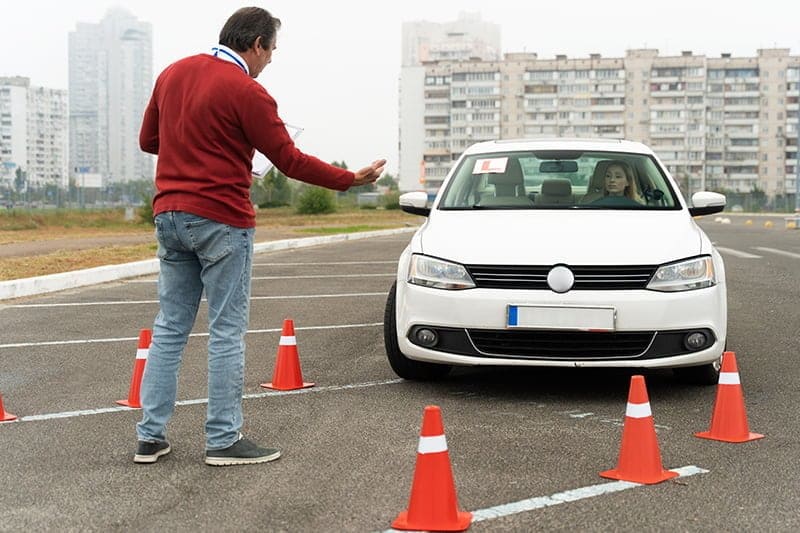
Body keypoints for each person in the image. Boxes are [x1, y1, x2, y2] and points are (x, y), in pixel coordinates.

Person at [134, 6, 385, 466]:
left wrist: (195, 147)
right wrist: (350, 178)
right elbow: (289, 160)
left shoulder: (172, 74)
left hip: (169, 215)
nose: (270, 60)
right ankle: (223, 439)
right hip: (221, 219)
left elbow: (149, 141)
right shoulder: (248, 91)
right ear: (255, 45)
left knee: (170, 328)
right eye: (271, 51)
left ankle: (150, 437)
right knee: (227, 330)